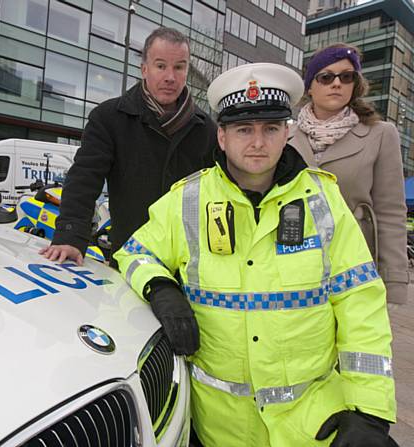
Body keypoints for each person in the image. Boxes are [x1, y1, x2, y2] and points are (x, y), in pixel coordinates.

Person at [115, 63, 397, 446]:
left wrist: (370, 412)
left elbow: (359, 301)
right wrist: (161, 288)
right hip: (218, 428)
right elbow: (135, 253)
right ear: (222, 136)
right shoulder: (189, 199)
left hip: (312, 424)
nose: (258, 143)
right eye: (244, 129)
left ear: (288, 133)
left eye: (270, 129)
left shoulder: (323, 199)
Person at [40, 27, 217, 267]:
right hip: (130, 260)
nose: (170, 77)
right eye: (161, 65)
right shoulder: (109, 118)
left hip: (188, 267)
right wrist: (70, 236)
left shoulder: (207, 130)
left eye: (179, 67)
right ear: (144, 69)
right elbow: (84, 178)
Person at [290, 43, 408, 305]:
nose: (337, 83)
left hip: (355, 264)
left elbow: (390, 212)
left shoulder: (380, 134)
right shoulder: (285, 137)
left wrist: (393, 282)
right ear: (310, 86)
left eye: (346, 76)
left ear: (355, 84)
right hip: (294, 266)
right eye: (326, 77)